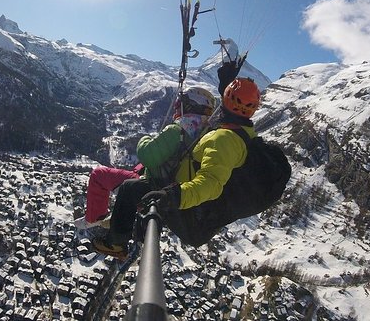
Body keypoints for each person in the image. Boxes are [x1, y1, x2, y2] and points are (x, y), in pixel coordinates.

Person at [93, 76, 261, 257]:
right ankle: (132, 227)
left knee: (129, 188)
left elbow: (149, 156)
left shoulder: (195, 130)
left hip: (174, 189)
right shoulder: (216, 127)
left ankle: (115, 243)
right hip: (182, 185)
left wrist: (145, 140)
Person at [74, 87, 217, 230]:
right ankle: (117, 215)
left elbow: (148, 155)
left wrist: (145, 139)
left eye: (179, 105)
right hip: (176, 187)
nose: (176, 110)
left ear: (188, 105)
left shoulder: (179, 129)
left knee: (99, 175)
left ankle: (93, 218)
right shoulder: (207, 132)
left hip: (155, 185)